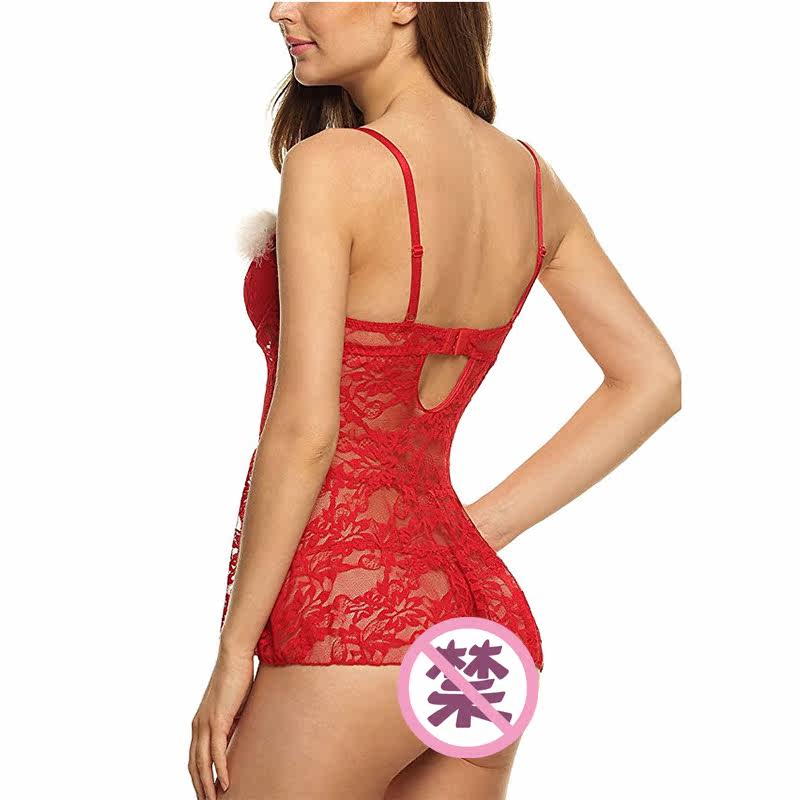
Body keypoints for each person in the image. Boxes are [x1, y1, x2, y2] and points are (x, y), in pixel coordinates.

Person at [189, 4, 682, 799]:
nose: (280, 8)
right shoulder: (531, 180)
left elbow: (306, 431)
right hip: (481, 632)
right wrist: (471, 534)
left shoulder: (331, 165)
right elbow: (651, 378)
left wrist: (231, 653)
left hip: (348, 628)